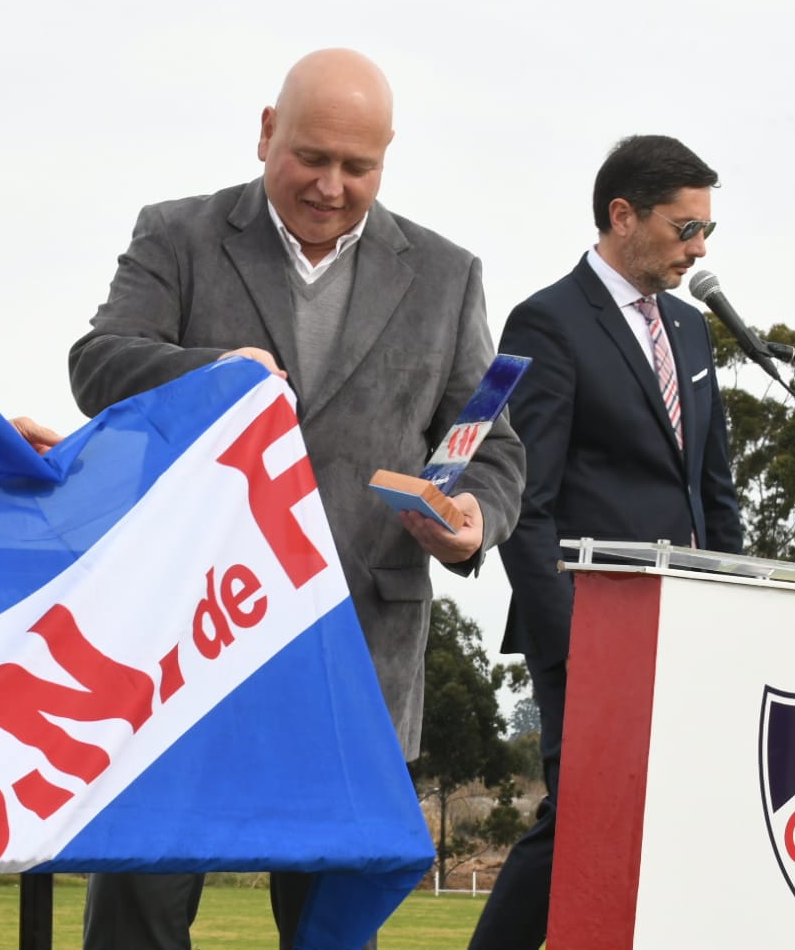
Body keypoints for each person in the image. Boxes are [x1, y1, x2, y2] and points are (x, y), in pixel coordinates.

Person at [69, 48, 525, 950]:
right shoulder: (177, 235)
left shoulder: (445, 273)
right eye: (310, 157)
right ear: (266, 131)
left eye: (357, 167)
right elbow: (98, 365)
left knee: (324, 932)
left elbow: (487, 444)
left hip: (353, 657)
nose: (329, 185)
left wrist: (473, 519)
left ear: (386, 158)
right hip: (180, 654)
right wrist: (205, 373)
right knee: (138, 924)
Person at [466, 134, 744, 949]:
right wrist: (575, 640)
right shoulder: (547, 322)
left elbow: (711, 489)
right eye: (682, 227)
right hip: (593, 629)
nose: (696, 247)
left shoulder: (691, 333)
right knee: (579, 815)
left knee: (670, 824)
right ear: (622, 216)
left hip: (686, 630)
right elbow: (525, 499)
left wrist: (730, 610)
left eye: (706, 232)